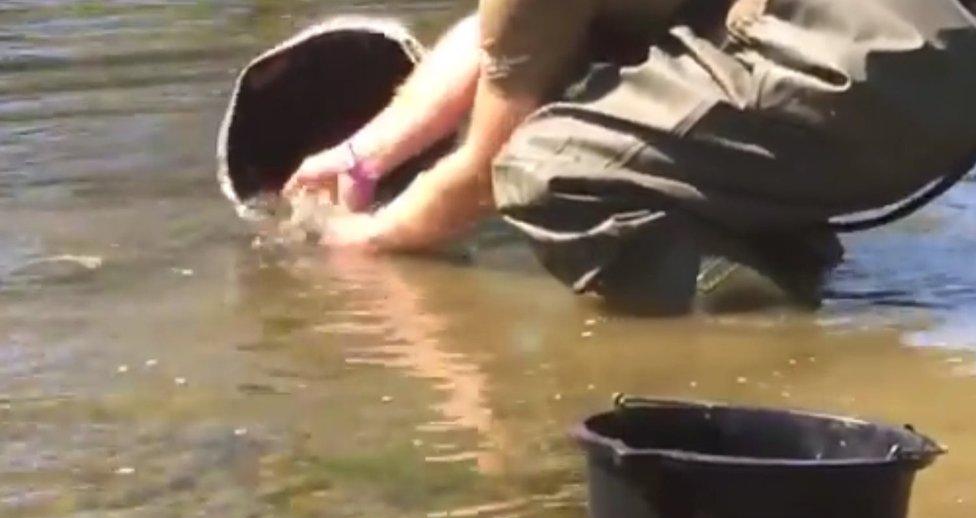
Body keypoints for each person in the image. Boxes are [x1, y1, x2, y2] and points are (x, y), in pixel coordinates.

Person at [282, 0, 976, 314]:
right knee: (634, 113)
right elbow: (496, 38)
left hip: (872, 71)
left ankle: (753, 327)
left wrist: (364, 242)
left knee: (547, 170)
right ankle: (779, 243)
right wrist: (364, 155)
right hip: (928, 54)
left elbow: (480, 180)